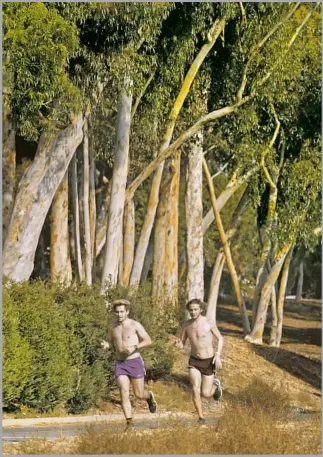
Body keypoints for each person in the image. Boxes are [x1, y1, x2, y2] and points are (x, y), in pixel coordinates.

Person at [101, 299, 157, 429]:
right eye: (117, 312)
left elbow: (148, 341)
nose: (119, 315)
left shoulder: (135, 325)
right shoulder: (112, 326)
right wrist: (106, 345)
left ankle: (149, 396)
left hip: (134, 361)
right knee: (124, 391)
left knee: (138, 394)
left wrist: (135, 346)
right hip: (120, 363)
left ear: (127, 312)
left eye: (122, 312)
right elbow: (110, 341)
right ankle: (129, 423)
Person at [175, 298, 224, 423]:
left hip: (208, 361)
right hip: (194, 361)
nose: (193, 312)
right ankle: (201, 417)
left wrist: (217, 355)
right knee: (195, 388)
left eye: (195, 309)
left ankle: (216, 386)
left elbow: (220, 338)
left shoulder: (209, 322)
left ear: (201, 309)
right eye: (191, 310)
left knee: (206, 393)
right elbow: (183, 344)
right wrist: (178, 344)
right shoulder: (186, 325)